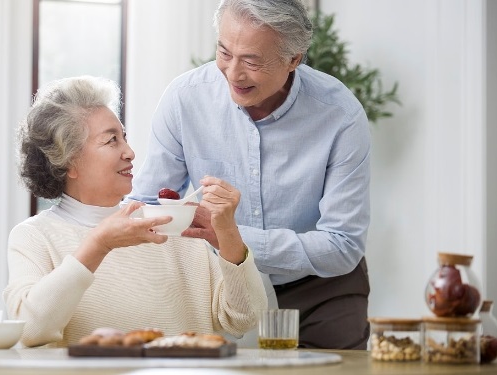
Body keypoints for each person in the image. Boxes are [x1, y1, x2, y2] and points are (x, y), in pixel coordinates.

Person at [129, 0, 371, 349]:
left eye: (252, 61)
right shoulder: (185, 98)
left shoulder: (340, 115)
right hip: (220, 285)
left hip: (320, 290)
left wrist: (230, 237)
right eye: (224, 52)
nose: (232, 73)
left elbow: (342, 244)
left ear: (294, 59)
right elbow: (149, 201)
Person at [3, 75, 267, 348]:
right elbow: (29, 331)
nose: (130, 152)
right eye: (111, 141)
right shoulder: (34, 237)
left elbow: (244, 319)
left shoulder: (170, 223)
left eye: (124, 138)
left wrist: (228, 238)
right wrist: (98, 244)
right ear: (69, 161)